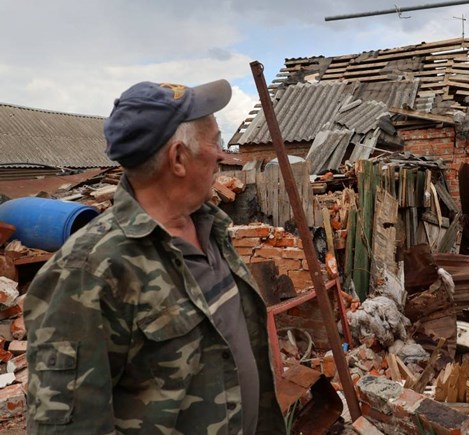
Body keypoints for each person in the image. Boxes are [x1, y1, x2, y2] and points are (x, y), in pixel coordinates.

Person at [24, 80, 285, 434]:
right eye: (216, 142)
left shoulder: (210, 228)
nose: (223, 156)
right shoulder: (89, 271)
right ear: (178, 158)